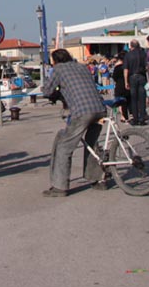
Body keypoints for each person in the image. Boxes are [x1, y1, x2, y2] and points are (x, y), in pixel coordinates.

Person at [41, 49, 109, 197]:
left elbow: (47, 91)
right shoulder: (82, 66)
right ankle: (97, 180)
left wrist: (53, 94)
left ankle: (60, 187)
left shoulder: (58, 69)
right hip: (100, 108)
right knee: (92, 144)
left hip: (82, 111)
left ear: (55, 61)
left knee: (64, 146)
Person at [124, 39, 148, 125]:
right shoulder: (143, 54)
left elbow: (126, 69)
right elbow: (147, 66)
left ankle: (135, 118)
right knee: (142, 98)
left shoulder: (128, 55)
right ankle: (142, 118)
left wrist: (126, 81)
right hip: (141, 76)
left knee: (133, 99)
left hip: (132, 77)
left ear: (131, 46)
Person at [109, 51, 130, 122]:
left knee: (121, 101)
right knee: (129, 100)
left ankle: (123, 116)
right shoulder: (128, 66)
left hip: (119, 85)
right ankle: (130, 114)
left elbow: (114, 77)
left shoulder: (117, 67)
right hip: (128, 84)